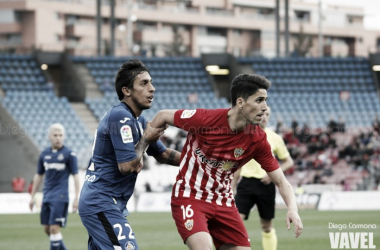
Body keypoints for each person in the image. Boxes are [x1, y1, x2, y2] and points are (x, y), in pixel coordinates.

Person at [150, 74, 303, 250]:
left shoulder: (258, 140)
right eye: (259, 100)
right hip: (190, 196)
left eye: (266, 100)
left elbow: (282, 182)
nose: (265, 107)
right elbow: (162, 115)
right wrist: (141, 148)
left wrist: (293, 209)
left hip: (224, 201)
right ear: (240, 103)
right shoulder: (204, 119)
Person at [78, 59, 181, 250]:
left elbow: (163, 154)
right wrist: (145, 140)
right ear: (126, 91)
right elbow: (126, 167)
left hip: (107, 201)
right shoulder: (120, 116)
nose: (152, 89)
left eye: (151, 82)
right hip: (101, 200)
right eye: (144, 83)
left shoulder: (138, 120)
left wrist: (200, 161)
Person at [231, 106, 294, 250]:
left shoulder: (275, 138)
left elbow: (289, 162)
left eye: (267, 114)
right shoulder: (244, 135)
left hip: (266, 185)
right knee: (236, 221)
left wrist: (272, 175)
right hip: (246, 183)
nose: (264, 116)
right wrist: (232, 186)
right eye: (262, 113)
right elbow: (238, 163)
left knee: (266, 226)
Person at [29, 123, 80, 250]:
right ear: (49, 137)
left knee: (54, 228)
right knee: (47, 229)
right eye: (55, 135)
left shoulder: (69, 154)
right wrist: (32, 196)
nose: (58, 138)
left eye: (61, 135)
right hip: (47, 195)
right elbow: (38, 175)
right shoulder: (44, 154)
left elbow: (76, 176)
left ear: (64, 137)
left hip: (60, 196)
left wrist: (76, 197)